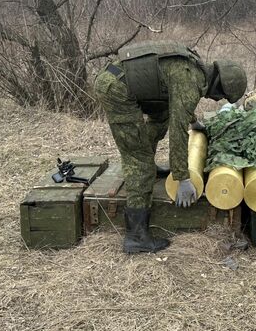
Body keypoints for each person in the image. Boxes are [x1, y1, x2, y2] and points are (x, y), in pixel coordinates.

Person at [93, 40, 247, 254]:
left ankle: (146, 160)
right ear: (219, 85)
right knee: (139, 160)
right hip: (117, 89)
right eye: (221, 95)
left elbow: (178, 104)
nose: (218, 99)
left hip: (120, 79)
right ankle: (136, 237)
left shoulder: (195, 69)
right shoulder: (191, 80)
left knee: (162, 114)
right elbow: (178, 132)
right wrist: (182, 178)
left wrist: (194, 122)